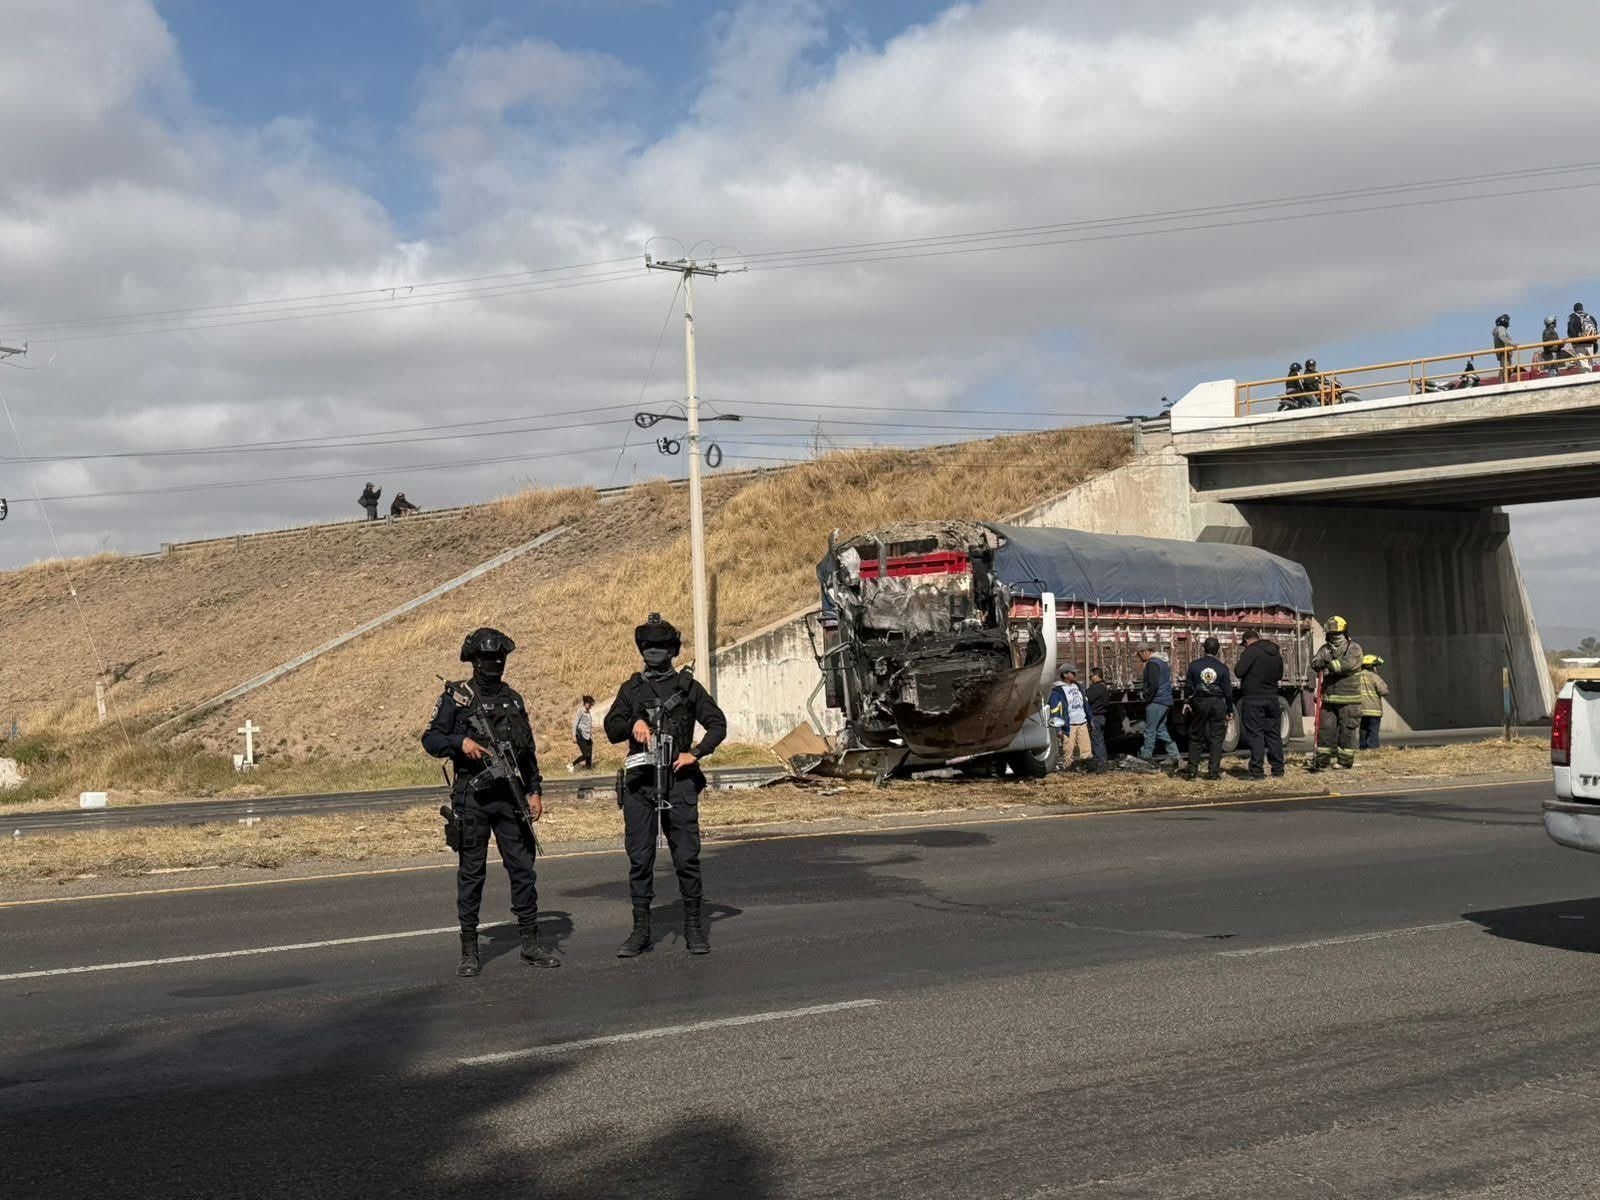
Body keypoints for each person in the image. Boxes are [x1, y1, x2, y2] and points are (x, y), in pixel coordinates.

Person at [422, 627, 558, 978]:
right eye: (487, 658)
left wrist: (535, 790)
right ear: (474, 661)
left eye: (499, 657)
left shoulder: (514, 700)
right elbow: (431, 738)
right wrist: (460, 743)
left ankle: (530, 943)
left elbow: (526, 751)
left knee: (523, 870)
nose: (494, 663)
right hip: (473, 797)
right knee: (472, 873)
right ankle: (469, 950)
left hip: (510, 798)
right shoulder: (457, 698)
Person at [604, 613, 727, 958]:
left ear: (672, 649)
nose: (654, 651)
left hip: (679, 783)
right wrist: (634, 723)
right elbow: (611, 728)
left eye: (660, 646)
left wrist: (696, 753)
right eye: (649, 646)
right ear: (641, 649)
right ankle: (641, 930)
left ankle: (693, 927)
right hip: (641, 785)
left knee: (686, 858)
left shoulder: (688, 687)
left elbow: (718, 724)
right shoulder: (631, 689)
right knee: (640, 860)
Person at [1311, 615, 1365, 770]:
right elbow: (1316, 662)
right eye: (1332, 634)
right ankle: (1321, 762)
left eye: (1338, 633)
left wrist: (1329, 666)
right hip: (1329, 699)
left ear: (1344, 632)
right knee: (1325, 731)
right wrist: (1318, 664)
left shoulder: (1353, 648)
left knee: (1346, 732)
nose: (1335, 637)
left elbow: (1347, 665)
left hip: (1349, 699)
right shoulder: (1325, 649)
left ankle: (1344, 762)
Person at [1233, 627, 1285, 779]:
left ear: (1248, 641)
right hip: (1272, 698)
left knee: (1256, 734)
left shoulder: (1251, 652)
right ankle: (1278, 769)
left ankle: (1257, 771)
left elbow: (1239, 671)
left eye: (1244, 644)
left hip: (1253, 699)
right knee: (1273, 734)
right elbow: (1280, 674)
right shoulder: (1276, 653)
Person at [1182, 637, 1234, 781]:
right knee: (1216, 738)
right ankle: (1213, 773)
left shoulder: (1194, 666)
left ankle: (1192, 771)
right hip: (1217, 703)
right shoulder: (1223, 668)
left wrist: (1186, 701)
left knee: (1196, 736)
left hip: (1200, 702)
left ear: (1203, 649)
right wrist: (1229, 709)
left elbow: (1189, 686)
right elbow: (1228, 691)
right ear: (1217, 651)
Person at [1136, 645, 1178, 767]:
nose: (1140, 658)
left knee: (1150, 730)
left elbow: (1153, 684)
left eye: (1140, 655)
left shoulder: (1152, 663)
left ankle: (1146, 756)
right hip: (1165, 700)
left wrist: (1146, 697)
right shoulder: (1162, 662)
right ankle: (1175, 755)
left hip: (1156, 701)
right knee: (1160, 729)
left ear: (1145, 651)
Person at [1049, 665, 1093, 769]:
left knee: (1086, 751)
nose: (1075, 674)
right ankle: (1068, 771)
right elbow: (1055, 711)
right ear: (1065, 674)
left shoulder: (1078, 687)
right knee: (1068, 753)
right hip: (1069, 727)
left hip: (1082, 723)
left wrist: (1091, 719)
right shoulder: (1057, 691)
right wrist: (1058, 729)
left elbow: (1085, 704)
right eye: (1072, 673)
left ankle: (1087, 770)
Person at [1358, 654, 1390, 750]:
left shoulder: (1356, 677)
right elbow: (1384, 691)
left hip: (1361, 709)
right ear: (1371, 666)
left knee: (1363, 729)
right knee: (1373, 730)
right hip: (1374, 710)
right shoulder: (1374, 677)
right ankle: (1372, 749)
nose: (1376, 668)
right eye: (1376, 666)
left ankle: (1362, 748)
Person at [1084, 667, 1111, 771]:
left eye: (1091, 676)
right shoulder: (1104, 687)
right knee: (1100, 740)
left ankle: (1101, 763)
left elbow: (1086, 697)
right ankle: (1103, 761)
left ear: (1096, 676)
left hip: (1096, 717)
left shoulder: (1096, 688)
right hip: (1102, 716)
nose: (1090, 679)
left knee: (1097, 741)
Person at [568, 695, 595, 772]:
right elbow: (575, 724)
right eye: (590, 704)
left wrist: (591, 736)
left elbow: (588, 725)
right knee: (586, 754)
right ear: (586, 703)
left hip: (587, 736)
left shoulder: (588, 712)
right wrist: (574, 736)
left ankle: (588, 768)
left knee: (589, 753)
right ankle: (572, 765)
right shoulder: (580, 711)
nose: (590, 706)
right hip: (580, 736)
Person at [1570, 302, 1599, 368]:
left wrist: (1574, 343)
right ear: (1582, 308)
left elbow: (1571, 332)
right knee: (1590, 364)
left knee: (1583, 366)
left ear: (1574, 309)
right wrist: (1595, 343)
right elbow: (1595, 331)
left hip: (1579, 344)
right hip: (1590, 344)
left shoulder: (1573, 317)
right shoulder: (1591, 317)